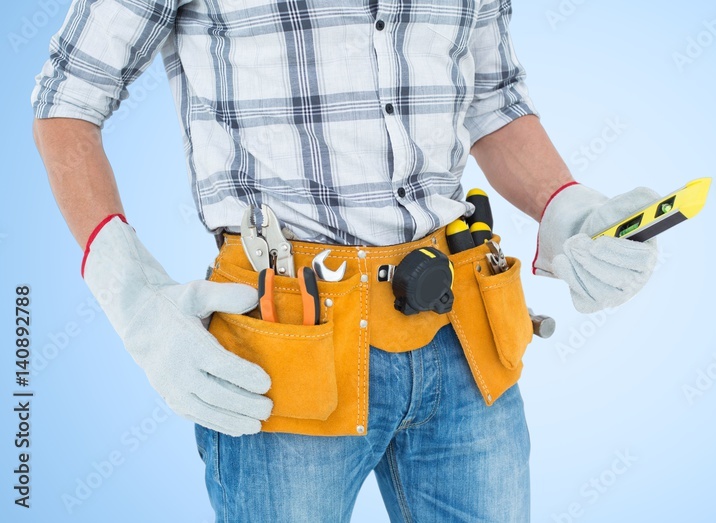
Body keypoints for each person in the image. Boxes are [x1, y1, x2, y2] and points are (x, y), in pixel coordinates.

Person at [31, 0, 659, 520]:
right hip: (286, 343)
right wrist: (129, 290)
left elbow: (492, 99)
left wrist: (565, 204)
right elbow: (68, 95)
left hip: (464, 334)